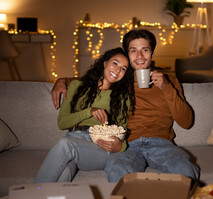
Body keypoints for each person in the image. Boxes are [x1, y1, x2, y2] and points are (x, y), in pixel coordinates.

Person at [51, 30, 199, 183]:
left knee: (185, 170)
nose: (140, 56)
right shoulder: (119, 79)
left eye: (145, 50)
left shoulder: (169, 81)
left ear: (152, 54)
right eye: (133, 51)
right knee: (116, 169)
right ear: (128, 55)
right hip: (128, 144)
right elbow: (89, 79)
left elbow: (186, 122)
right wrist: (61, 81)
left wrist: (167, 88)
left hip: (161, 142)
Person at [35, 47, 135, 183]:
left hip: (100, 148)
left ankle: (32, 194)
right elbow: (62, 123)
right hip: (74, 139)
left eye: (123, 68)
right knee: (63, 174)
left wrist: (120, 147)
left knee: (65, 145)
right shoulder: (77, 86)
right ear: (105, 63)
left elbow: (121, 134)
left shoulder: (122, 98)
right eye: (115, 63)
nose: (118, 70)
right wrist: (89, 111)